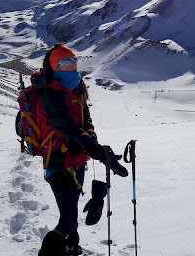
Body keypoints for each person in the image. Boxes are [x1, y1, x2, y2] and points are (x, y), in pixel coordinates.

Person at [34, 43, 128, 256]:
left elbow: (86, 119)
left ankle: (71, 248)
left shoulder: (77, 87)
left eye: (75, 60)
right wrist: (94, 148)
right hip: (57, 162)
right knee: (67, 219)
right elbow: (68, 128)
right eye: (67, 61)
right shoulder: (50, 94)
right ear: (56, 67)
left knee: (72, 213)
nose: (74, 64)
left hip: (77, 161)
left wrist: (92, 136)